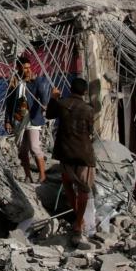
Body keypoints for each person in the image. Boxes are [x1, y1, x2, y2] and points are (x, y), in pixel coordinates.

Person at [45, 77, 95, 247]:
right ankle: (78, 223)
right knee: (84, 190)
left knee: (67, 184)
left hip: (65, 152)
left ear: (70, 89)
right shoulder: (89, 109)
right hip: (83, 155)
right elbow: (90, 131)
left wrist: (54, 97)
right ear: (85, 92)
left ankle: (78, 219)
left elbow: (49, 114)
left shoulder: (61, 103)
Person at [5, 58, 48, 184]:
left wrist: (36, 82)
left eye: (29, 67)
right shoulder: (14, 82)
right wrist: (7, 121)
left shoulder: (36, 81)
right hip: (18, 119)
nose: (28, 70)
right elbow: (9, 103)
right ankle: (28, 175)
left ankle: (42, 175)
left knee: (34, 147)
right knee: (22, 150)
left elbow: (43, 97)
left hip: (32, 118)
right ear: (18, 68)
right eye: (25, 67)